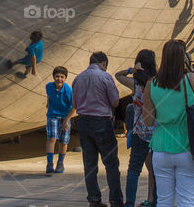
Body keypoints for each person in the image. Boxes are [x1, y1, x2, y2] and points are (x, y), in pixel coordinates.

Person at [142, 39, 194, 207]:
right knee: (186, 200)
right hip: (187, 146)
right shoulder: (191, 79)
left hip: (161, 147)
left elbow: (148, 120)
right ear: (183, 58)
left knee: (163, 200)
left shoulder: (151, 84)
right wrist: (191, 68)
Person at [72, 51, 122, 207]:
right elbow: (115, 102)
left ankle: (94, 199)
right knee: (111, 163)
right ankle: (115, 200)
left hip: (83, 121)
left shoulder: (77, 78)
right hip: (101, 122)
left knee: (89, 163)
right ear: (104, 64)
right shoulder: (105, 77)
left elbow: (74, 104)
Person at [116, 50, 157, 207]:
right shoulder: (156, 83)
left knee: (134, 169)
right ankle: (153, 200)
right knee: (154, 169)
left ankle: (130, 203)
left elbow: (118, 76)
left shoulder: (135, 84)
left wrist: (131, 71)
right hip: (156, 132)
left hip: (140, 131)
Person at [44, 66, 73, 174]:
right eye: (57, 76)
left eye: (62, 77)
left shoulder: (68, 90)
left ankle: (60, 163)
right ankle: (50, 163)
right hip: (53, 115)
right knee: (52, 138)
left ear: (65, 78)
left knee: (63, 141)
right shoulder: (49, 86)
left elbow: (74, 106)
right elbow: (49, 95)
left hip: (65, 116)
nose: (59, 79)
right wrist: (48, 103)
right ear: (53, 77)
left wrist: (66, 120)